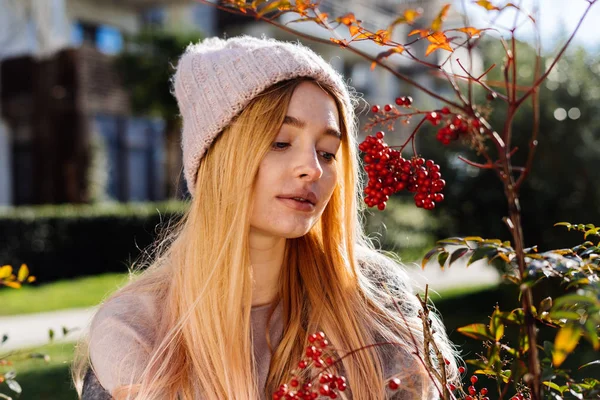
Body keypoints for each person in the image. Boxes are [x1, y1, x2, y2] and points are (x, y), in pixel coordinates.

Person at [73, 35, 460, 400]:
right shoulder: (138, 331)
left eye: (327, 152)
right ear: (219, 159)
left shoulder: (376, 299)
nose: (312, 169)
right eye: (280, 142)